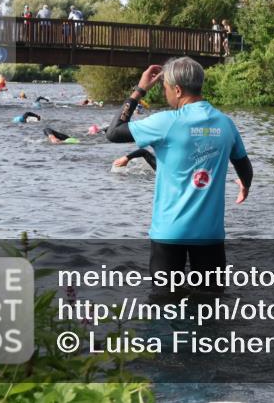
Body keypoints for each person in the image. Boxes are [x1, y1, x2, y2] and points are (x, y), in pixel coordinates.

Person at [106, 57, 253, 295]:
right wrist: (245, 185)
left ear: (177, 89)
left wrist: (140, 89)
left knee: (164, 310)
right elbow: (245, 167)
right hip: (210, 235)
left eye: (165, 90)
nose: (166, 95)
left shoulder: (165, 122)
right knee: (211, 309)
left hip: (169, 233)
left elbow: (113, 133)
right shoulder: (226, 124)